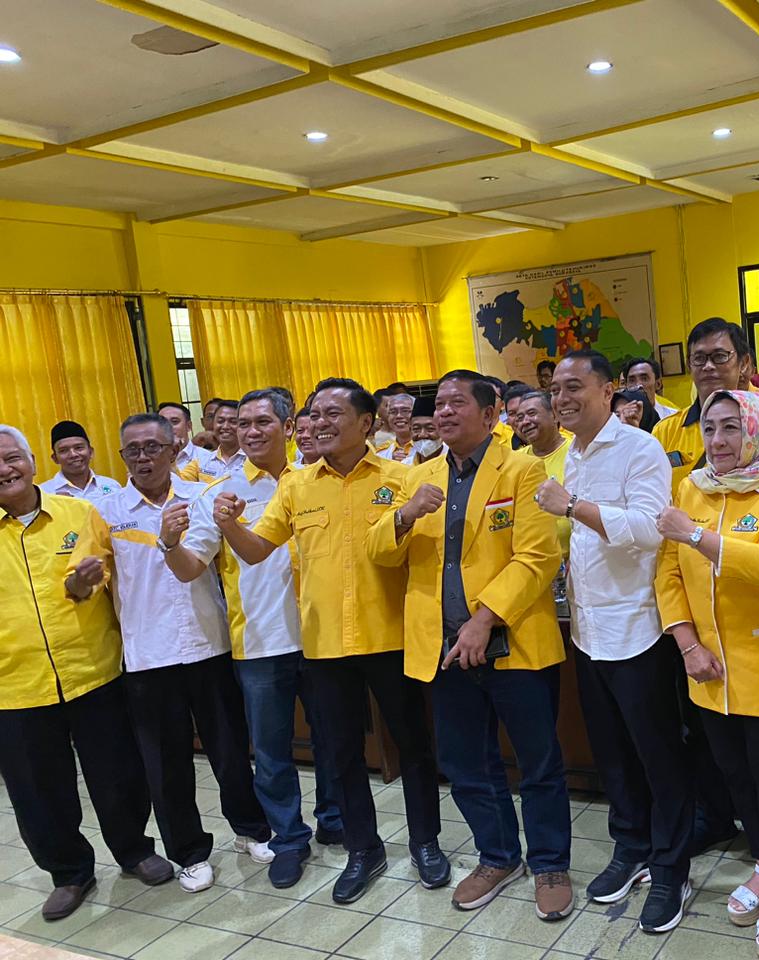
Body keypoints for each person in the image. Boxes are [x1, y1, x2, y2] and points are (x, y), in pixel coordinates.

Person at [213, 378, 449, 905]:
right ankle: (364, 850)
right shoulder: (297, 486)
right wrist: (228, 525)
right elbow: (256, 550)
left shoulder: (403, 478)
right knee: (341, 754)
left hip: (391, 637)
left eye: (332, 414)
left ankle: (426, 843)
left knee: (413, 747)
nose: (319, 423)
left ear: (367, 423)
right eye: (314, 414)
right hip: (324, 646)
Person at [369, 369, 573, 921]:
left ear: (490, 414)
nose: (443, 412)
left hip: (514, 640)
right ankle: (498, 855)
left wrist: (484, 619)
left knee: (537, 762)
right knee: (465, 762)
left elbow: (537, 557)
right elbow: (379, 553)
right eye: (439, 404)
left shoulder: (523, 469)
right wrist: (405, 515)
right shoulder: (419, 476)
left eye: (457, 402)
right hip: (445, 649)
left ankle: (550, 863)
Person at [65, 413, 270, 895]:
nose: (143, 458)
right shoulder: (105, 511)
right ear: (122, 456)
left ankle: (251, 830)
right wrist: (80, 584)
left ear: (173, 450)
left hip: (208, 644)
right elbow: (86, 582)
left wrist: (172, 538)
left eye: (152, 447)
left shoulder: (202, 497)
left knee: (230, 752)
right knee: (167, 764)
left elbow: (198, 565)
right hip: (147, 656)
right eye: (132, 450)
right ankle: (189, 853)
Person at [159, 389, 345, 889]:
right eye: (243, 423)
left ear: (289, 428)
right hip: (261, 642)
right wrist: (169, 543)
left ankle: (334, 820)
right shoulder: (217, 494)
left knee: (334, 740)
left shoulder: (318, 480)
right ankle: (289, 838)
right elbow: (190, 568)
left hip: (325, 636)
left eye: (263, 422)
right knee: (271, 753)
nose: (251, 431)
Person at [536, 350, 695, 932]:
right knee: (613, 755)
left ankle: (671, 867)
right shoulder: (570, 455)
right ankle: (631, 848)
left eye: (574, 386)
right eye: (556, 389)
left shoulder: (639, 448)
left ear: (608, 391)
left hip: (638, 630)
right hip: (588, 631)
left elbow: (649, 531)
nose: (562, 398)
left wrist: (573, 506)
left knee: (659, 755)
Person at [656, 389, 759, 959]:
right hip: (709, 669)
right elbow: (669, 574)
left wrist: (693, 534)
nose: (718, 441)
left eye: (732, 428)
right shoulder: (692, 488)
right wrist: (687, 644)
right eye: (710, 428)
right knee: (737, 778)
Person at [0, 424, 172, 920]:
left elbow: (106, 576)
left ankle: (134, 850)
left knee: (117, 772)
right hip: (15, 686)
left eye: (12, 458)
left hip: (91, 670)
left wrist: (81, 586)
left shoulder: (79, 513)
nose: (6, 470)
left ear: (34, 462)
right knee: (38, 789)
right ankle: (69, 872)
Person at [654, 318, 759, 493]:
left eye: (720, 356)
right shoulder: (666, 431)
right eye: (699, 358)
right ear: (689, 365)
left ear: (744, 363)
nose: (708, 366)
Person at [514, 389, 572, 557]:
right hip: (529, 558)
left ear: (554, 415)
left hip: (573, 559)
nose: (525, 422)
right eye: (520, 418)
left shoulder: (576, 453)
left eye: (532, 414)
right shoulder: (515, 460)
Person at [39, 420, 119, 503]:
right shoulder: (44, 494)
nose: (73, 454)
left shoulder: (111, 486)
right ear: (55, 458)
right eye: (63, 450)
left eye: (79, 448)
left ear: (91, 452)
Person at [182, 400, 244, 482]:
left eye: (233, 422)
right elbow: (178, 485)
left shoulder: (254, 459)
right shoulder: (201, 461)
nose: (225, 426)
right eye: (220, 421)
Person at [158, 401, 216, 477]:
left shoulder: (206, 458)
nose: (168, 427)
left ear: (189, 426)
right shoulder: (150, 459)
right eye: (162, 422)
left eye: (174, 422)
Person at [375, 393, 417, 462]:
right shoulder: (383, 452)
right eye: (393, 412)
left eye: (405, 411)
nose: (399, 416)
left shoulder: (427, 447)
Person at [409, 394, 442, 462]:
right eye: (416, 429)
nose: (422, 435)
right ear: (410, 431)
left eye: (430, 428)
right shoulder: (405, 464)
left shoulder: (454, 464)